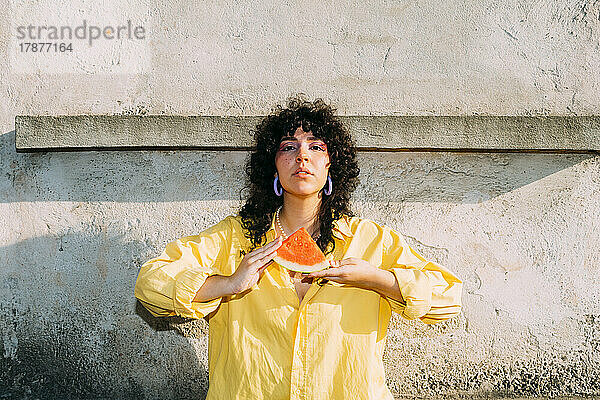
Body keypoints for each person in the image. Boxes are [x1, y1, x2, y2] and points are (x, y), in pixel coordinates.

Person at [134, 95, 463, 400]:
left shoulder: (369, 239)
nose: (302, 155)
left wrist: (378, 279)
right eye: (288, 147)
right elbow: (150, 284)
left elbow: (448, 297)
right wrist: (228, 283)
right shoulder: (234, 237)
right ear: (273, 166)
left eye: (316, 147)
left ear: (330, 164)